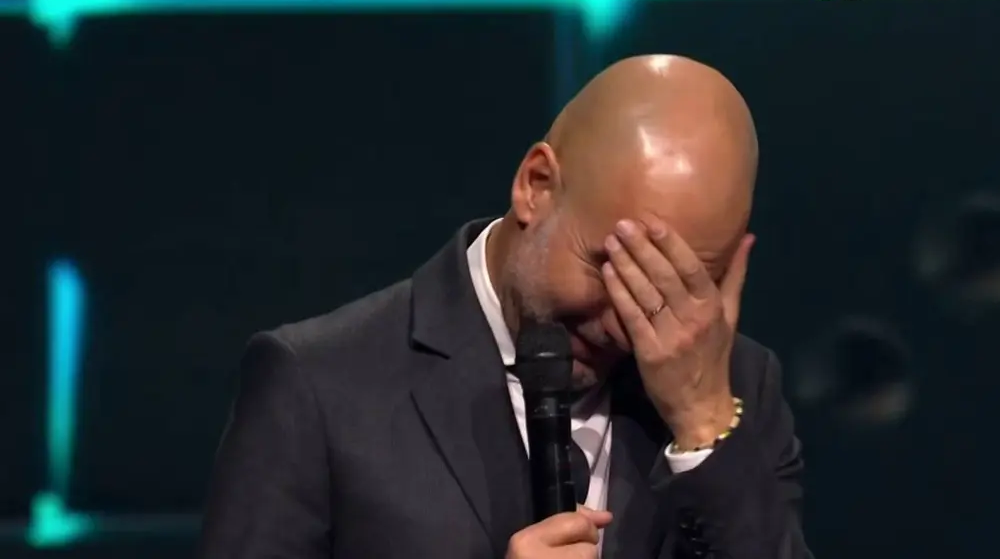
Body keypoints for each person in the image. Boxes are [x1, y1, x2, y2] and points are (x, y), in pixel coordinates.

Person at [197, 55, 812, 559]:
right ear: (536, 186)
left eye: (673, 288)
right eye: (613, 267)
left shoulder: (739, 394)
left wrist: (703, 424)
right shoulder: (318, 385)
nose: (630, 323)